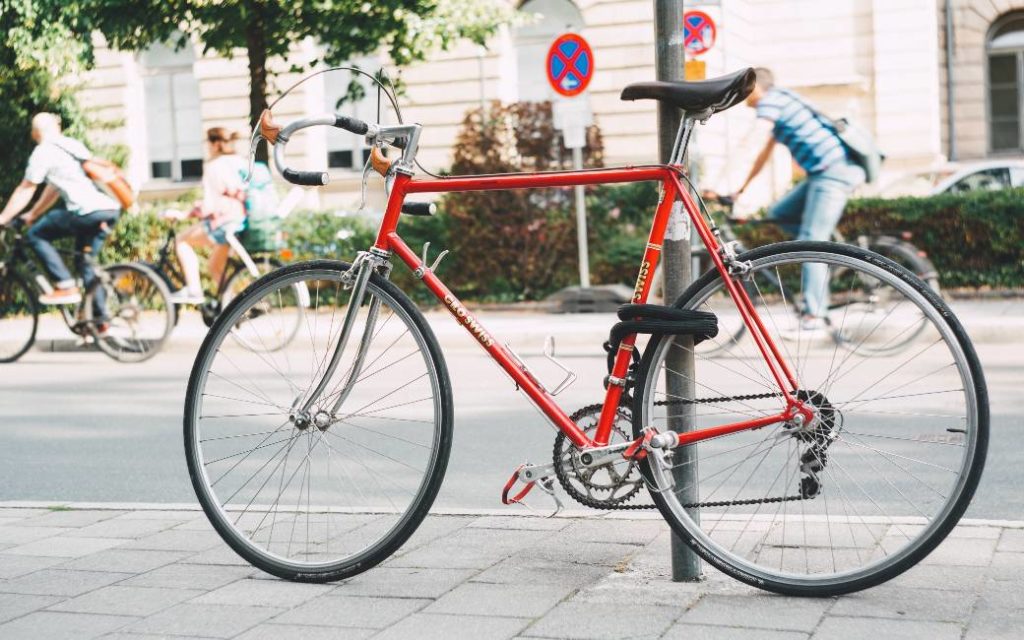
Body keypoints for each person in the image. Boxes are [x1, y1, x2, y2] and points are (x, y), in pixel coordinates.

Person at [731, 67, 866, 334]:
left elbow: (751, 142)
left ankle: (814, 316)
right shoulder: (783, 101)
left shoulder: (772, 102)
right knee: (779, 213)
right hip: (821, 175)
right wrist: (740, 189)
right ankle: (828, 250)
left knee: (809, 241)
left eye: (744, 88)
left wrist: (718, 182)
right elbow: (761, 156)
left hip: (833, 173)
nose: (740, 95)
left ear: (756, 86)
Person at [0, 113, 121, 317]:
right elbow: (53, 189)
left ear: (36, 133)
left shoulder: (43, 152)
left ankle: (66, 286)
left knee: (36, 235)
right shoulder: (72, 145)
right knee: (85, 262)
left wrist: (3, 218)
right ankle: (101, 322)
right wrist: (33, 213)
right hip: (108, 209)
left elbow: (26, 189)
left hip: (86, 211)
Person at [163, 127, 248, 304]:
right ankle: (239, 308)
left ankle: (194, 291)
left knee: (181, 241)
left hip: (224, 222)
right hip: (240, 220)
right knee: (215, 267)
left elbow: (210, 206)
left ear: (216, 144)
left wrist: (184, 214)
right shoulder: (240, 161)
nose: (207, 148)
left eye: (207, 144)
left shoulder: (214, 166)